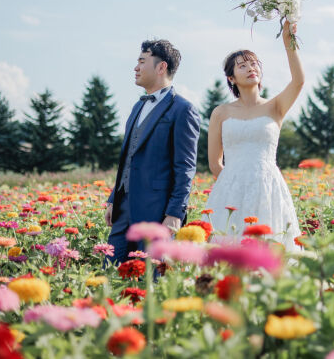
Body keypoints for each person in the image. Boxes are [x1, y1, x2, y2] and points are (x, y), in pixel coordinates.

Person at [205, 21, 304, 250]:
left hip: (269, 190)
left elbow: (298, 81)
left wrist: (288, 41)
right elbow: (214, 163)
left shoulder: (275, 107)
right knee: (228, 252)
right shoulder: (221, 112)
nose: (251, 68)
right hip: (230, 192)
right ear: (231, 78)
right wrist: (234, 186)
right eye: (242, 66)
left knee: (272, 249)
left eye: (254, 64)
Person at [104, 40, 200, 264]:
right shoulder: (137, 106)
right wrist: (112, 199)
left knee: (150, 279)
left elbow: (185, 167)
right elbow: (127, 157)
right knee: (110, 271)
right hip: (123, 208)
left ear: (161, 67)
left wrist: (175, 213)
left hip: (156, 212)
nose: (135, 68)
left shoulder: (183, 110)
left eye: (141, 61)